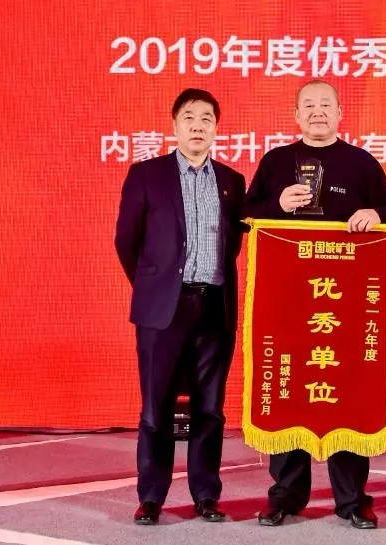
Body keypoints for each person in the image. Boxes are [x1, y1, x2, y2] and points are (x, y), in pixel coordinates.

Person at [242, 79, 386, 529]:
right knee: (290, 387)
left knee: (344, 391)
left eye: (326, 105)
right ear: (296, 115)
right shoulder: (276, 161)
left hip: (343, 305)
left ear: (339, 113)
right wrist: (275, 204)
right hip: (289, 301)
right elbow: (246, 214)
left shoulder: (360, 162)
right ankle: (285, 495)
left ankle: (352, 500)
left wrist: (374, 214)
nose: (318, 112)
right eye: (309, 106)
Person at [114, 88, 246, 525]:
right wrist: (156, 286)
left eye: (207, 119)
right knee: (157, 408)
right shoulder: (147, 175)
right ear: (174, 125)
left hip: (214, 308)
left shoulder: (231, 181)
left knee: (210, 409)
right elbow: (126, 241)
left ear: (216, 129)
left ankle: (206, 495)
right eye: (190, 117)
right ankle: (151, 497)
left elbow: (233, 244)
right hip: (162, 311)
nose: (198, 126)